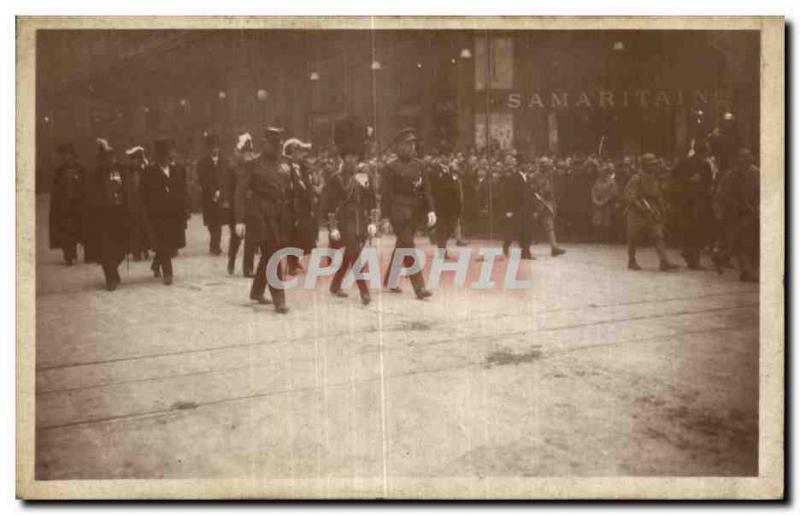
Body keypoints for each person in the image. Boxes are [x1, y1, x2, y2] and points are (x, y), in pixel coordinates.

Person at [235, 127, 290, 314]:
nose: (276, 148)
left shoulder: (283, 165)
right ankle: (279, 299)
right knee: (273, 253)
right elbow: (240, 192)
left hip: (278, 216)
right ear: (264, 144)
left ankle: (257, 290)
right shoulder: (253, 164)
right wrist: (239, 220)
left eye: (278, 144)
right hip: (259, 215)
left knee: (269, 254)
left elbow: (287, 191)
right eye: (272, 144)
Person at [324, 117, 377, 305]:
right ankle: (364, 291)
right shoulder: (335, 179)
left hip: (361, 221)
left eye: (355, 156)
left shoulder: (365, 176)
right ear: (343, 158)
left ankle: (335, 285)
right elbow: (328, 205)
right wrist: (332, 227)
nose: (352, 159)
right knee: (354, 254)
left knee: (350, 255)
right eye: (348, 156)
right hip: (344, 220)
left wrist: (372, 222)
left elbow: (371, 200)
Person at [380, 127, 435, 299]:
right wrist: (385, 217)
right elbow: (386, 195)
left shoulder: (419, 165)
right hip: (398, 213)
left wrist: (431, 210)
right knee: (409, 247)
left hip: (414, 213)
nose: (412, 148)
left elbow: (427, 190)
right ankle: (420, 288)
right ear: (399, 147)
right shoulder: (391, 167)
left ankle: (391, 279)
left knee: (402, 246)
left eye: (413, 144)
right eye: (408, 144)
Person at [141, 138, 188, 285]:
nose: (168, 158)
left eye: (169, 155)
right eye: (165, 155)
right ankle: (168, 274)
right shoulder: (149, 172)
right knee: (163, 243)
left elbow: (182, 192)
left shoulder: (176, 171)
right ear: (159, 157)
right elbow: (145, 195)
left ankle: (156, 264)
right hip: (157, 216)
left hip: (174, 214)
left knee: (171, 244)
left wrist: (185, 211)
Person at [85, 138, 130, 290]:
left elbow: (128, 190)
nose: (110, 160)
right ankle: (110, 278)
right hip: (102, 217)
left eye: (112, 157)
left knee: (122, 249)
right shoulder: (95, 174)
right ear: (101, 159)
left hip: (120, 215)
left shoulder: (121, 171)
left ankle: (113, 270)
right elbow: (91, 196)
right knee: (106, 250)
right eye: (107, 158)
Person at [624, 153, 679, 271]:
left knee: (658, 234)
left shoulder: (654, 178)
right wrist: (641, 207)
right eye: (651, 165)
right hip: (636, 213)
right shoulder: (636, 178)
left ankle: (664, 261)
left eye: (654, 165)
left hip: (652, 211)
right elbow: (630, 197)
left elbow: (658, 195)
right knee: (633, 237)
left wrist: (662, 206)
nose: (654, 167)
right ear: (644, 165)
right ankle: (631, 260)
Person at [712, 148, 759, 282]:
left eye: (748, 156)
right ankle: (741, 269)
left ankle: (741, 269)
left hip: (750, 213)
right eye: (742, 157)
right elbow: (722, 195)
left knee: (743, 243)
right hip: (732, 213)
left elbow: (760, 191)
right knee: (737, 243)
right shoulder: (730, 175)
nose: (746, 159)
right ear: (738, 159)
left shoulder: (756, 173)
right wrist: (739, 205)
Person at [672, 139, 714, 269]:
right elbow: (674, 178)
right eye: (707, 149)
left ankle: (690, 256)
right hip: (693, 201)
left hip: (693, 201)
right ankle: (693, 259)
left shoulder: (698, 163)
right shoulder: (693, 163)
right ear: (704, 150)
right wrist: (689, 180)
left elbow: (708, 182)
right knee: (695, 230)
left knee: (693, 230)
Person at [224, 133, 258, 276]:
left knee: (250, 237)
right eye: (246, 148)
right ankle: (231, 259)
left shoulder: (253, 164)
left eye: (250, 148)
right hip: (235, 205)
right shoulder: (232, 165)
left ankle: (248, 268)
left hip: (250, 204)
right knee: (236, 237)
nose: (248, 151)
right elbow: (228, 186)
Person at [283, 137, 318, 275]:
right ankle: (291, 264)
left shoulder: (303, 168)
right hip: (291, 207)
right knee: (291, 235)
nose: (301, 155)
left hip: (303, 206)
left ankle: (295, 259)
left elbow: (308, 187)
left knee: (302, 236)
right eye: (297, 152)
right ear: (291, 154)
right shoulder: (286, 169)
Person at [49, 143, 85, 265]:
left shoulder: (80, 169)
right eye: (64, 156)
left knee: (77, 229)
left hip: (78, 204)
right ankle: (68, 255)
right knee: (66, 230)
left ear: (73, 157)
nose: (66, 158)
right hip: (64, 205)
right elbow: (55, 189)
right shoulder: (60, 171)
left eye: (68, 155)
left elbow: (84, 186)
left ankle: (74, 252)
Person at [196, 133, 227, 256]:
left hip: (221, 196)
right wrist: (212, 191)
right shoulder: (202, 163)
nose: (215, 149)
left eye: (216, 146)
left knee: (218, 222)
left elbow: (225, 177)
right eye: (212, 147)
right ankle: (214, 243)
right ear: (208, 148)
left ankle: (216, 245)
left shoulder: (224, 161)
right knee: (211, 222)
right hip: (208, 197)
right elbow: (203, 179)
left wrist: (220, 191)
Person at [500, 152, 534, 259]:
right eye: (525, 164)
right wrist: (509, 209)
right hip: (517, 209)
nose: (527, 166)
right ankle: (506, 246)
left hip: (526, 209)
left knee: (527, 231)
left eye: (528, 164)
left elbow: (530, 194)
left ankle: (526, 252)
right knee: (514, 232)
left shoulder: (527, 178)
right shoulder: (514, 178)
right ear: (520, 166)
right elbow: (509, 195)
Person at [531, 157, 567, 256]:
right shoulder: (534, 176)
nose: (547, 167)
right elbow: (532, 189)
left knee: (549, 225)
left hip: (547, 202)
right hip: (538, 202)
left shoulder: (549, 175)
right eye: (545, 165)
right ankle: (524, 245)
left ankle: (554, 247)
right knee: (532, 224)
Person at [430, 155, 462, 259]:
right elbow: (434, 187)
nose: (446, 159)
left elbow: (455, 185)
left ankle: (439, 241)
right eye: (443, 156)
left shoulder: (452, 170)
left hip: (451, 205)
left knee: (450, 228)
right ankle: (442, 250)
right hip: (440, 205)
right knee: (442, 229)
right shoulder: (435, 171)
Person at [123, 146, 151, 262]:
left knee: (144, 228)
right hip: (131, 205)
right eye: (134, 160)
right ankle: (136, 252)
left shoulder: (144, 172)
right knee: (134, 229)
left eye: (138, 160)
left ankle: (145, 249)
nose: (136, 162)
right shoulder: (126, 173)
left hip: (143, 205)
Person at [590, 162, 619, 244]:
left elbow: (612, 194)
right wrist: (595, 201)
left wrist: (604, 202)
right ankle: (597, 239)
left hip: (607, 205)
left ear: (606, 173)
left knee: (606, 223)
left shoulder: (612, 182)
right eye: (600, 172)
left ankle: (605, 240)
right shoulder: (597, 181)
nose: (601, 174)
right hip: (597, 204)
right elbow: (593, 191)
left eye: (603, 172)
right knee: (597, 222)